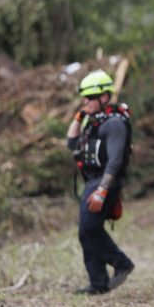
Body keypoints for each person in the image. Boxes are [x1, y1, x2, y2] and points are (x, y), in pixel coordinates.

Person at [66, 70, 135, 295]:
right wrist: (78, 116)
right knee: (85, 231)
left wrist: (103, 190)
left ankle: (121, 263)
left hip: (105, 183)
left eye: (89, 98)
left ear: (104, 97)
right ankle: (98, 283)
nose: (85, 102)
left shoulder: (114, 124)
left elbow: (115, 160)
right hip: (93, 182)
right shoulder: (94, 121)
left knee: (89, 227)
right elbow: (71, 142)